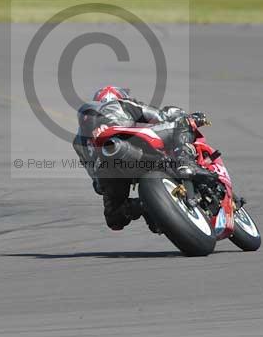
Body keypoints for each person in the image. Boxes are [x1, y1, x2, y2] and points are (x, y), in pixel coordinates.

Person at [73, 85, 216, 231]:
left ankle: (147, 206)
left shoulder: (79, 140)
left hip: (109, 171)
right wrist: (189, 117)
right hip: (135, 142)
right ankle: (186, 162)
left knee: (115, 218)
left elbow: (97, 183)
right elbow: (161, 116)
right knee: (182, 123)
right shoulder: (121, 104)